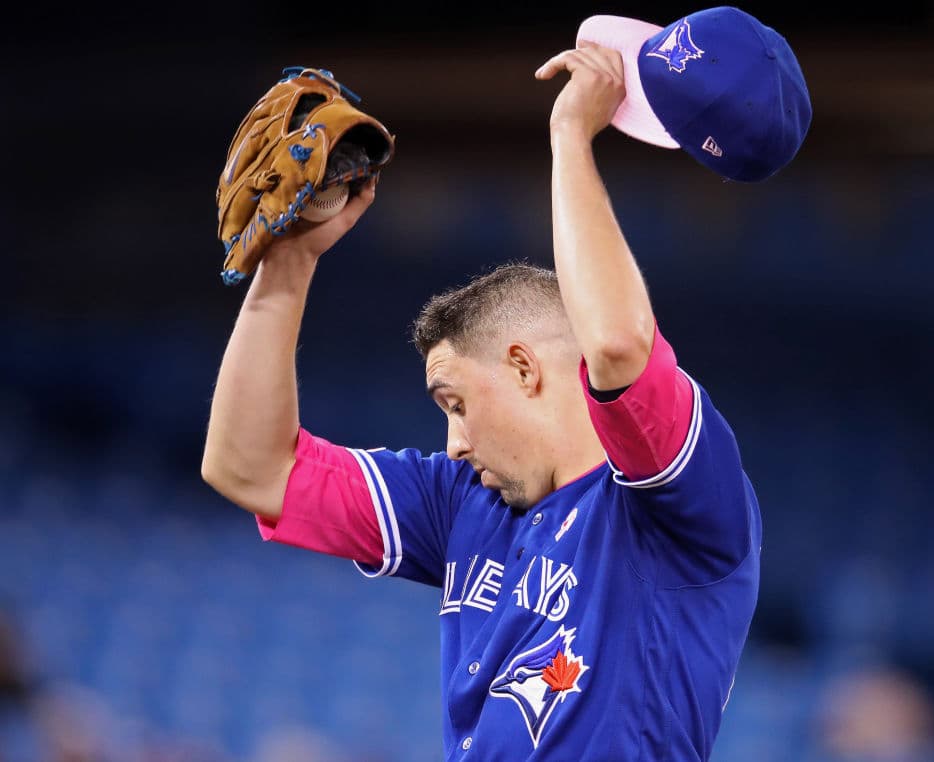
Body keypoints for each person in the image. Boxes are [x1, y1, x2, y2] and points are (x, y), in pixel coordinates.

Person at [202, 7, 809, 760]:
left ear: (525, 368)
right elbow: (250, 467)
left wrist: (569, 140)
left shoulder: (678, 502)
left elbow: (618, 344)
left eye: (455, 404)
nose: (451, 445)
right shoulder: (467, 503)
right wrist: (286, 267)